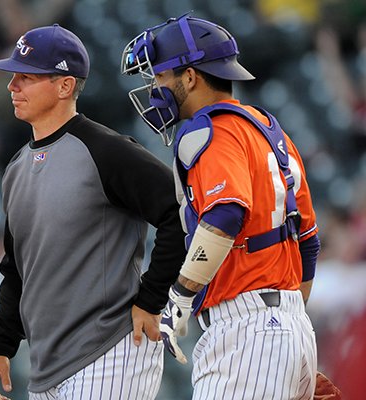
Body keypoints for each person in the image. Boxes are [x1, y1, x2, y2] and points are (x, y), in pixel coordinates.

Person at [0, 24, 186, 400]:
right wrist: (0, 343)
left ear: (65, 86)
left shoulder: (106, 150)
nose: (13, 86)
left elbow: (180, 213)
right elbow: (17, 267)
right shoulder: (16, 168)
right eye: (13, 77)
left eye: (26, 77)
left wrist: (151, 299)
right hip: (46, 363)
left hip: (113, 349)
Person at [121, 14, 320, 399]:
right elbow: (307, 240)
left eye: (160, 77)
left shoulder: (209, 129)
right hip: (290, 325)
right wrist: (291, 326)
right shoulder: (269, 129)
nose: (156, 89)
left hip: (247, 329)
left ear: (190, 77)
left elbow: (225, 214)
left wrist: (179, 294)